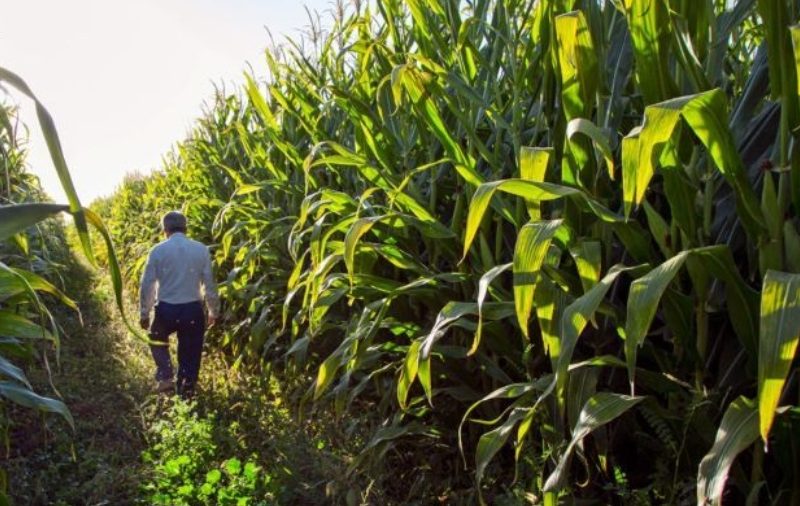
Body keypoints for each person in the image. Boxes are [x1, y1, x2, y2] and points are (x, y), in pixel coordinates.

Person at [139, 211, 220, 397]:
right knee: (190, 350)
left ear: (164, 230)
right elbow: (210, 284)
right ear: (186, 228)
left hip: (166, 309)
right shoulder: (201, 249)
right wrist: (213, 311)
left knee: (156, 338)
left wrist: (144, 313)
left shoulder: (158, 250)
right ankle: (187, 387)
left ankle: (166, 376)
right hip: (192, 310)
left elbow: (147, 285)